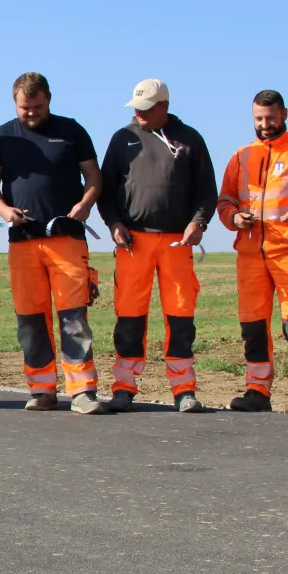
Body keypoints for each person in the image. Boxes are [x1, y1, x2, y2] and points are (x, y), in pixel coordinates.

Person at [0, 72, 107, 415]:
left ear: (49, 100)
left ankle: (82, 391)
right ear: (15, 103)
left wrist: (84, 206)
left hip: (66, 239)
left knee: (73, 318)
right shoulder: (2, 136)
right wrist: (5, 210)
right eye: (25, 108)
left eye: (37, 106)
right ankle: (42, 389)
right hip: (23, 242)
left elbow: (94, 177)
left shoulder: (72, 131)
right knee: (31, 319)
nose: (32, 113)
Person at [96, 78, 218, 414]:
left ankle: (183, 389)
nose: (140, 114)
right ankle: (123, 387)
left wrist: (199, 222)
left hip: (178, 241)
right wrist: (114, 223)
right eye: (136, 108)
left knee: (180, 316)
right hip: (133, 242)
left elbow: (207, 190)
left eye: (147, 109)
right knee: (129, 317)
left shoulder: (190, 139)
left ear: (164, 106)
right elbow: (105, 191)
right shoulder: (123, 138)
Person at [216, 90, 288, 415]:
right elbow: (224, 201)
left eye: (271, 118)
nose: (265, 124)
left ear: (284, 115)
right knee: (252, 326)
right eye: (259, 119)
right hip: (250, 254)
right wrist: (234, 218)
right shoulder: (241, 156)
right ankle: (257, 391)